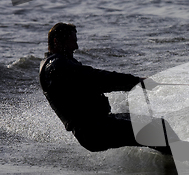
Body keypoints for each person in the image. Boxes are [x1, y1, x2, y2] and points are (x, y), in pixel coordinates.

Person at [39, 22, 173, 154]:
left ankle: (170, 166)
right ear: (56, 41)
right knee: (157, 130)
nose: (76, 46)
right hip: (95, 130)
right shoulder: (57, 67)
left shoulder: (56, 64)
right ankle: (180, 168)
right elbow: (99, 79)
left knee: (157, 124)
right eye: (72, 41)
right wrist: (136, 81)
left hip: (98, 125)